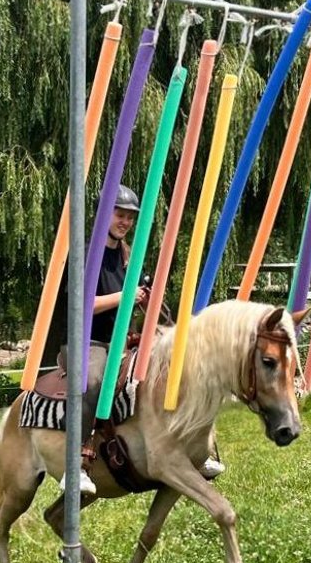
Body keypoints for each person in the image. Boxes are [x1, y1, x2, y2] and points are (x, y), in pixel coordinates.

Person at [46, 185, 222, 494]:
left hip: (121, 341)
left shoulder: (128, 256)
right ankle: (76, 465)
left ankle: (198, 450)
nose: (125, 222)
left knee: (176, 366)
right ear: (104, 215)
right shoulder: (84, 253)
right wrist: (126, 296)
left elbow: (138, 297)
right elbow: (84, 304)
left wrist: (149, 300)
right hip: (89, 341)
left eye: (130, 217)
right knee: (94, 382)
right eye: (120, 215)